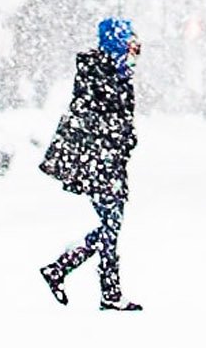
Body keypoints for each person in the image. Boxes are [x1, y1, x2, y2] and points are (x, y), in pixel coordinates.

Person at [39, 19, 142, 311]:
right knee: (110, 226)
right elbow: (95, 119)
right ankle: (66, 272)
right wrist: (120, 137)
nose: (133, 52)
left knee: (111, 226)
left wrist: (124, 138)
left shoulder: (116, 75)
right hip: (100, 163)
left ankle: (101, 288)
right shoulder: (100, 75)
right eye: (129, 44)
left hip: (109, 161)